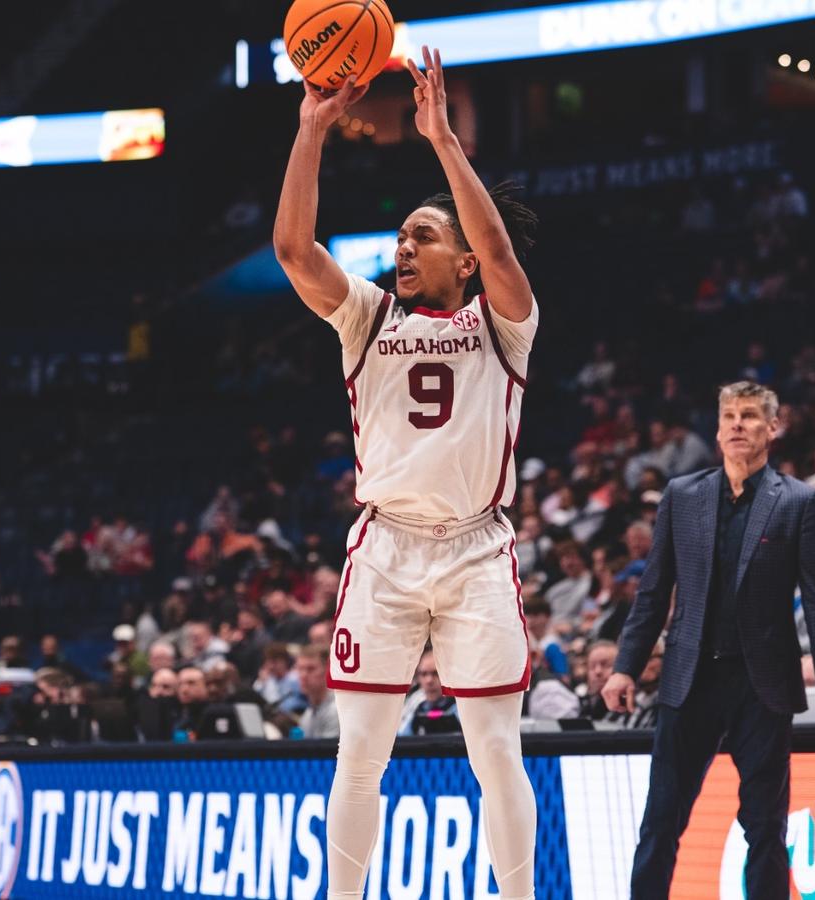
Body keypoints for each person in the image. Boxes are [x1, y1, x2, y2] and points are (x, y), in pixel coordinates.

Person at [274, 46, 541, 900]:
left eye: (422, 237)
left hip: (475, 552)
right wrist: (312, 130)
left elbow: (496, 243)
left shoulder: (507, 322)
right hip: (385, 550)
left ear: (463, 261)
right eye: (399, 237)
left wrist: (441, 141)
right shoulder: (367, 316)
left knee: (496, 750)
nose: (403, 247)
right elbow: (291, 246)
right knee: (361, 754)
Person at [604, 382, 815, 899]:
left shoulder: (800, 502)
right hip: (688, 678)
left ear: (773, 427)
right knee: (660, 822)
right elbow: (654, 591)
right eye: (729, 416)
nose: (737, 424)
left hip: (760, 684)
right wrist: (625, 666)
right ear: (718, 430)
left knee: (766, 828)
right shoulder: (682, 495)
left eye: (749, 416)